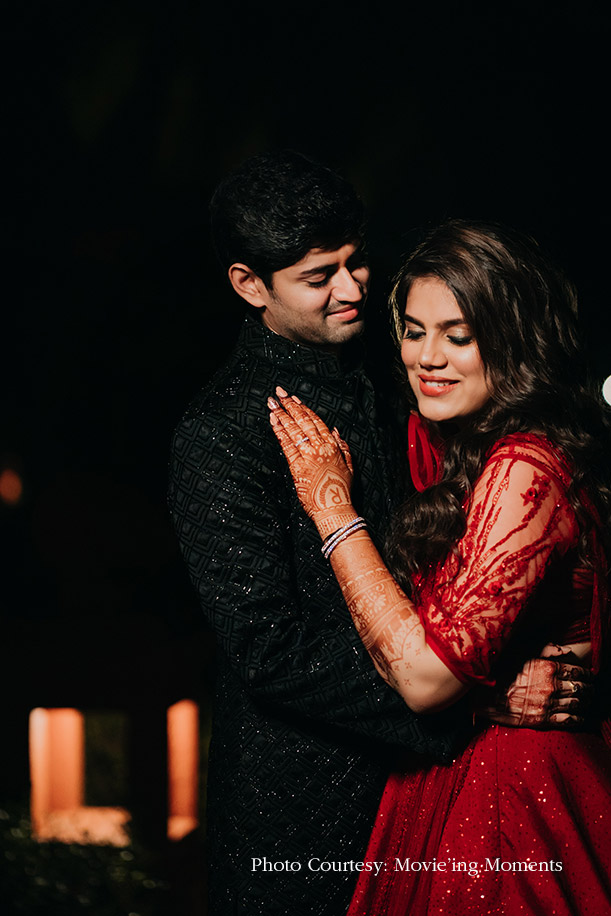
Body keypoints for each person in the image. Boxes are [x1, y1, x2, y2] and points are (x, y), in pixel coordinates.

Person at [168, 153, 588, 916]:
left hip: (437, 783)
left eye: (357, 261)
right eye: (319, 275)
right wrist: (472, 699)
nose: (354, 287)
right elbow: (271, 649)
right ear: (248, 285)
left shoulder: (414, 372)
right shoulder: (222, 432)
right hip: (302, 798)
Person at [268, 218, 611, 915]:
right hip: (463, 783)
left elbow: (425, 679)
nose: (428, 356)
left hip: (512, 810)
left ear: (513, 344)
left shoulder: (525, 468)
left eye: (458, 336)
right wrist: (490, 693)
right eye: (414, 330)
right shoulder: (457, 450)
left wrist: (331, 509)